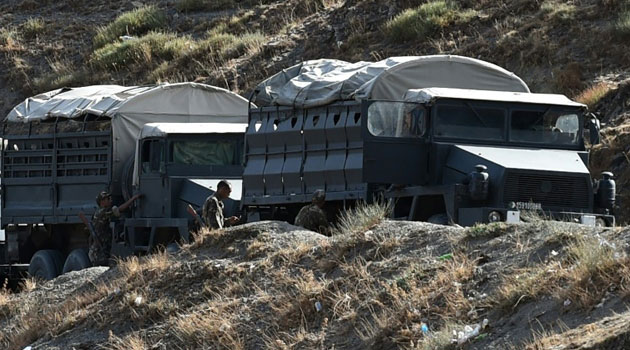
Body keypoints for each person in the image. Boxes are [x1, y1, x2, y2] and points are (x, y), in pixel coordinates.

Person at [91, 191, 142, 266]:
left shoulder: (100, 212)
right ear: (102, 202)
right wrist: (133, 199)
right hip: (98, 252)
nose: (110, 200)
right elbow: (119, 210)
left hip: (101, 248)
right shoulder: (103, 212)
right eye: (108, 199)